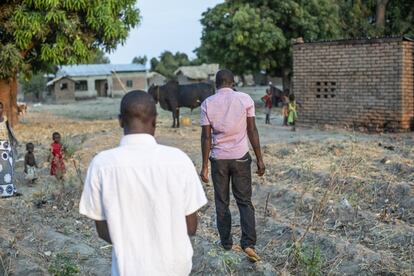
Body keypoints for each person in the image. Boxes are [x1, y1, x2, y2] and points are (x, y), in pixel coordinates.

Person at [79, 90, 207, 276]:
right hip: (175, 267)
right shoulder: (179, 160)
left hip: (129, 269)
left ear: (120, 121)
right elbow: (191, 227)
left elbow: (103, 231)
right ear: (155, 120)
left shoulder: (101, 164)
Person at [199, 69, 265, 262]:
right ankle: (249, 244)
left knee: (222, 203)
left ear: (216, 83)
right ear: (233, 82)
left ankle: (227, 244)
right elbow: (252, 130)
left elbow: (206, 137)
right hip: (241, 158)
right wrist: (260, 159)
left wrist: (204, 166)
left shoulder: (207, 104)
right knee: (244, 201)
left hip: (218, 160)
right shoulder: (245, 99)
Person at [0, 102, 19, 197]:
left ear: (2, 109)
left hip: (6, 147)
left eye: (0, 108)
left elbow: (9, 130)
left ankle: (9, 191)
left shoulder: (5, 119)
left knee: (8, 169)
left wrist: (14, 141)